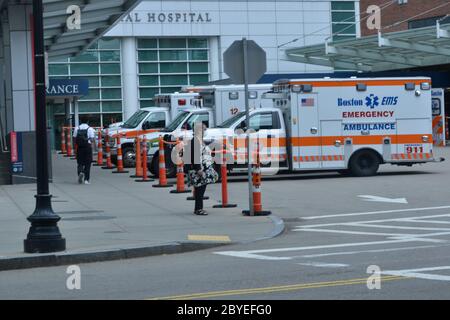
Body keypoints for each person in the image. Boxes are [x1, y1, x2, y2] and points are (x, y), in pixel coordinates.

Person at [187, 122, 218, 215]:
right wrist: (198, 169)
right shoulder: (196, 141)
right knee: (200, 189)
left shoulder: (198, 140)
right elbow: (195, 156)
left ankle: (198, 208)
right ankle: (198, 209)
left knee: (200, 189)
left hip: (202, 167)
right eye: (204, 129)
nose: (205, 131)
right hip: (198, 169)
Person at [73, 118, 96, 185]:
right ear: (87, 121)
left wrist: (74, 148)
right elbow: (92, 140)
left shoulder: (77, 128)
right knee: (88, 163)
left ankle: (80, 172)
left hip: (79, 147)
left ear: (80, 121)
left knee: (80, 162)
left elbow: (74, 138)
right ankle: (86, 180)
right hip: (87, 147)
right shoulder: (90, 129)